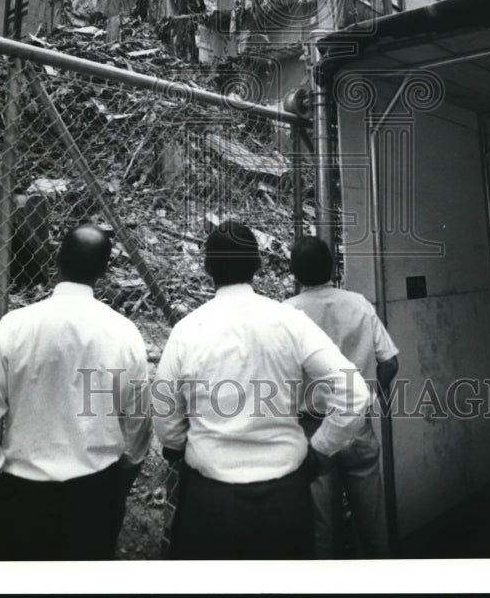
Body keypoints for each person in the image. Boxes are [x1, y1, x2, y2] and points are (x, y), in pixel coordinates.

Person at [153, 221, 370, 560]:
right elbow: (354, 393)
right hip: (284, 497)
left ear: (207, 267)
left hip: (210, 499)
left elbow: (165, 415)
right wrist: (322, 448)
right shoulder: (289, 322)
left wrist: (179, 443)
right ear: (257, 264)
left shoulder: (187, 330)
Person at [0, 224, 152, 561]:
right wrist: (114, 494)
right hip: (93, 495)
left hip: (21, 496)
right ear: (104, 271)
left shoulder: (14, 326)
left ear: (56, 261)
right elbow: (139, 431)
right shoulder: (125, 334)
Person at [286, 235, 399, 559]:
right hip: (356, 424)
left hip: (312, 430)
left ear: (294, 273)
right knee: (373, 522)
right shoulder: (359, 304)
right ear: (333, 266)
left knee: (321, 528)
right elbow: (389, 361)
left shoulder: (286, 314)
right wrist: (374, 395)